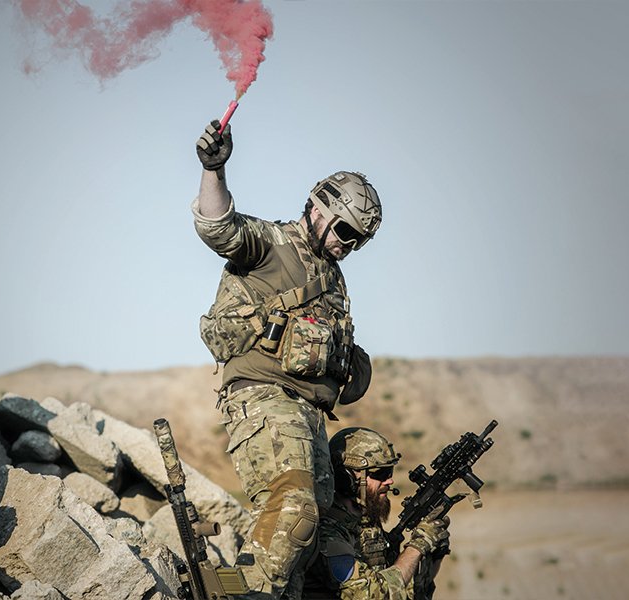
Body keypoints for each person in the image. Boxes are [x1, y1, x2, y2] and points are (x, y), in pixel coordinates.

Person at [193, 119, 382, 599]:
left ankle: (236, 588)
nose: (346, 243)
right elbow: (219, 228)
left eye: (357, 239)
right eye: (343, 229)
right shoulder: (272, 245)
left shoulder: (335, 280)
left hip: (311, 416)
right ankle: (233, 595)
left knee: (304, 543)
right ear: (317, 208)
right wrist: (214, 170)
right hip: (264, 398)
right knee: (293, 511)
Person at [303, 428, 451, 600]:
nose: (389, 481)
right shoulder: (327, 533)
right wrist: (418, 546)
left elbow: (409, 590)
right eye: (380, 474)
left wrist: (434, 551)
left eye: (390, 472)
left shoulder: (365, 522)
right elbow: (372, 595)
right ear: (347, 478)